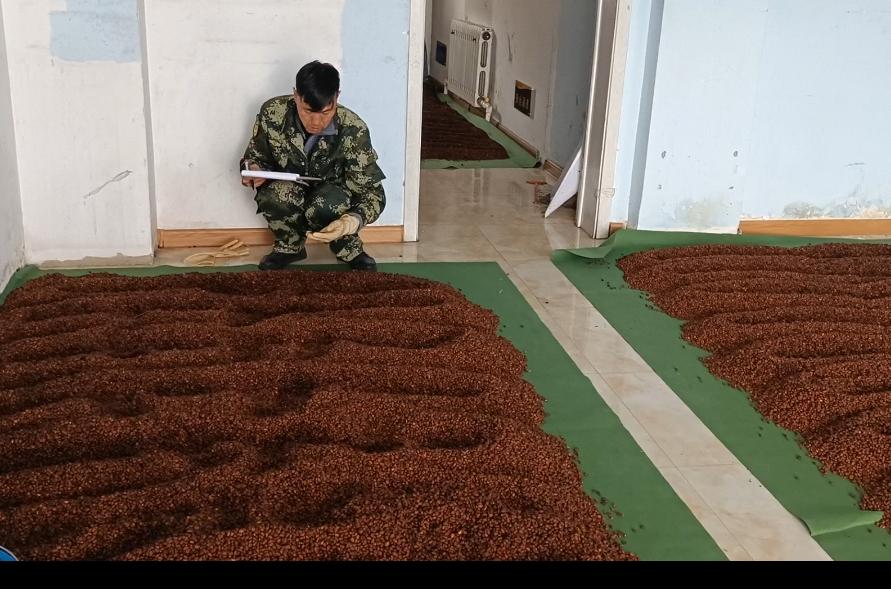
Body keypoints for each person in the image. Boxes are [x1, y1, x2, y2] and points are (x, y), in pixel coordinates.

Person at [240, 61, 385, 271]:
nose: (316, 122)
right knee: (275, 195)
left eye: (325, 113)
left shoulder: (353, 129)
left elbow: (374, 194)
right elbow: (255, 156)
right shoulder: (273, 113)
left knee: (325, 204)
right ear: (296, 96)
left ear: (337, 97)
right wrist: (253, 169)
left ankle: (348, 249)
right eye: (308, 111)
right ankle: (289, 247)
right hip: (290, 189)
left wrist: (352, 221)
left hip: (332, 195)